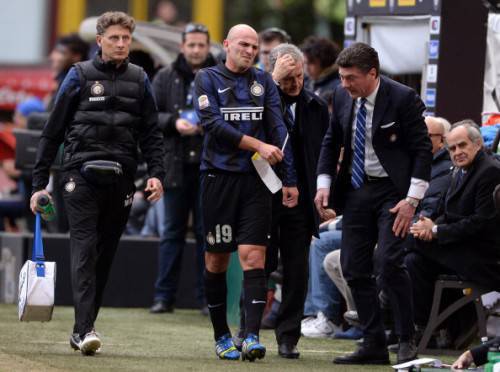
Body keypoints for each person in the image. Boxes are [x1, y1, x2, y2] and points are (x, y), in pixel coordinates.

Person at [29, 11, 165, 356]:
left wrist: (157, 174)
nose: (121, 44)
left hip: (121, 177)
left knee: (104, 256)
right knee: (85, 249)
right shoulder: (79, 75)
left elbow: (151, 132)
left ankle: (81, 328)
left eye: (126, 39)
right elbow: (52, 131)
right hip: (78, 174)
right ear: (100, 40)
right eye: (115, 38)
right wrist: (38, 183)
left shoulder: (140, 78)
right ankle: (86, 328)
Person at [315, 42, 432, 365]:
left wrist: (412, 200)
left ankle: (407, 338)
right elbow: (331, 142)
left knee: (390, 263)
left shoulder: (403, 98)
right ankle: (373, 343)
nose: (344, 84)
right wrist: (323, 185)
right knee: (353, 267)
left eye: (351, 78)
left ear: (372, 74)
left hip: (395, 193)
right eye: (341, 77)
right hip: (356, 190)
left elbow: (423, 151)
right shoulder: (340, 96)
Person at [194, 24, 295, 362]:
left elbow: (278, 125)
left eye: (255, 47)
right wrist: (257, 144)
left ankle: (251, 335)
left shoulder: (263, 82)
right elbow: (212, 124)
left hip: (256, 181)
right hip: (217, 179)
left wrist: (290, 178)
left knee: (255, 257)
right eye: (244, 45)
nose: (250, 51)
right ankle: (221, 335)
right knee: (217, 259)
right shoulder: (207, 78)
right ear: (226, 45)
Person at [260, 43, 329, 358]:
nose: (295, 84)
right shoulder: (258, 100)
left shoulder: (316, 106)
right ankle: (249, 329)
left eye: (299, 76)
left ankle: (288, 337)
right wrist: (272, 84)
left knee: (297, 270)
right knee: (258, 265)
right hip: (263, 195)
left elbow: (325, 155)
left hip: (301, 202)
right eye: (287, 79)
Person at [407, 120, 500, 339]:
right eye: (452, 148)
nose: (457, 152)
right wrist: (427, 225)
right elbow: (445, 209)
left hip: (483, 257)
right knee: (412, 260)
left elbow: (481, 223)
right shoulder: (459, 171)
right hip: (460, 247)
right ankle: (422, 328)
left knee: (408, 241)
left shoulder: (490, 172)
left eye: (462, 145)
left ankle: (385, 305)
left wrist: (436, 230)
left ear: (477, 144)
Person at [149, 23, 217, 315]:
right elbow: (150, 116)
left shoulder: (220, 75)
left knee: (207, 234)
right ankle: (164, 298)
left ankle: (206, 299)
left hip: (210, 166)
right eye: (191, 45)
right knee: (171, 233)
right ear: (182, 46)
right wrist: (174, 123)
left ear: (209, 46)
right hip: (175, 165)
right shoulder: (164, 76)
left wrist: (210, 124)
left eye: (201, 45)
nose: (196, 50)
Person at [300, 36, 341, 103]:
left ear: (325, 61)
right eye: (305, 63)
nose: (306, 68)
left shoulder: (337, 87)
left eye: (311, 63)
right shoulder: (305, 81)